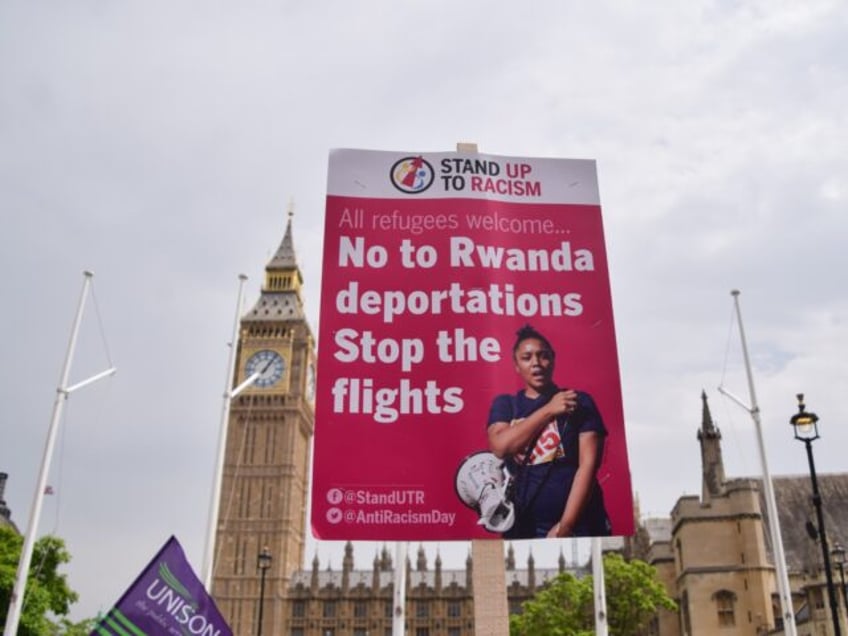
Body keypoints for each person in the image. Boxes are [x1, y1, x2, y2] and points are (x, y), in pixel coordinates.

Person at [487, 324, 611, 539]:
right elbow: (500, 446)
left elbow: (588, 466)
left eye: (543, 356)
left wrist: (566, 525)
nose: (536, 363)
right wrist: (549, 410)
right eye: (527, 358)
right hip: (521, 526)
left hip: (579, 525)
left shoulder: (579, 401)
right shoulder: (507, 405)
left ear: (552, 360)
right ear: (516, 365)